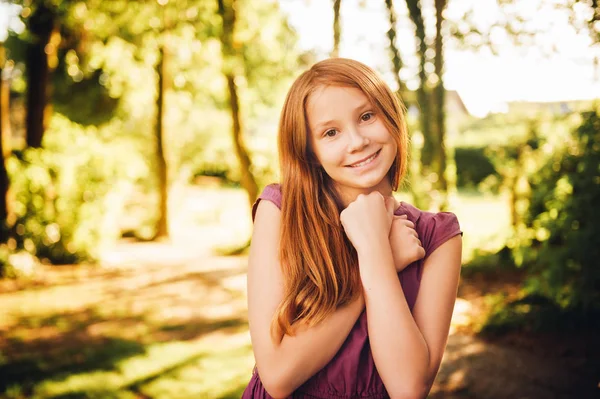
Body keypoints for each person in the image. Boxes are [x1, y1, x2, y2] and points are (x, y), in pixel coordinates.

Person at [241, 58, 463, 399]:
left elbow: (408, 388)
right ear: (310, 151)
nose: (357, 141)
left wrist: (375, 250)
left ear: (391, 118)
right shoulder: (282, 211)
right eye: (331, 132)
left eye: (366, 116)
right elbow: (278, 375)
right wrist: (379, 258)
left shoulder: (437, 237)